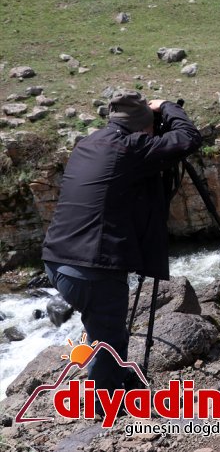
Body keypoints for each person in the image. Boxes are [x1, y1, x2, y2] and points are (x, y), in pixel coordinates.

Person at [42, 90, 202, 397]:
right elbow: (189, 138)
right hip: (90, 268)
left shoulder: (89, 143)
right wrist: (166, 107)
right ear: (144, 126)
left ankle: (114, 378)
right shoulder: (132, 148)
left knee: (103, 327)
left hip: (56, 259)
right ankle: (106, 405)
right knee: (109, 337)